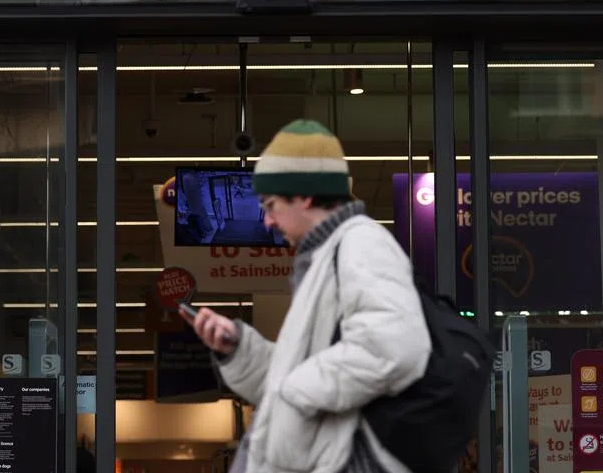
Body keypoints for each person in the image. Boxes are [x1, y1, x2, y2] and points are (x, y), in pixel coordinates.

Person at [181, 119, 431, 473]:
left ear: (305, 196)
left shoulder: (361, 246)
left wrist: (294, 391)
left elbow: (394, 348)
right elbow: (298, 379)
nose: (267, 221)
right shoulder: (328, 258)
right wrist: (239, 348)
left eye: (271, 205)